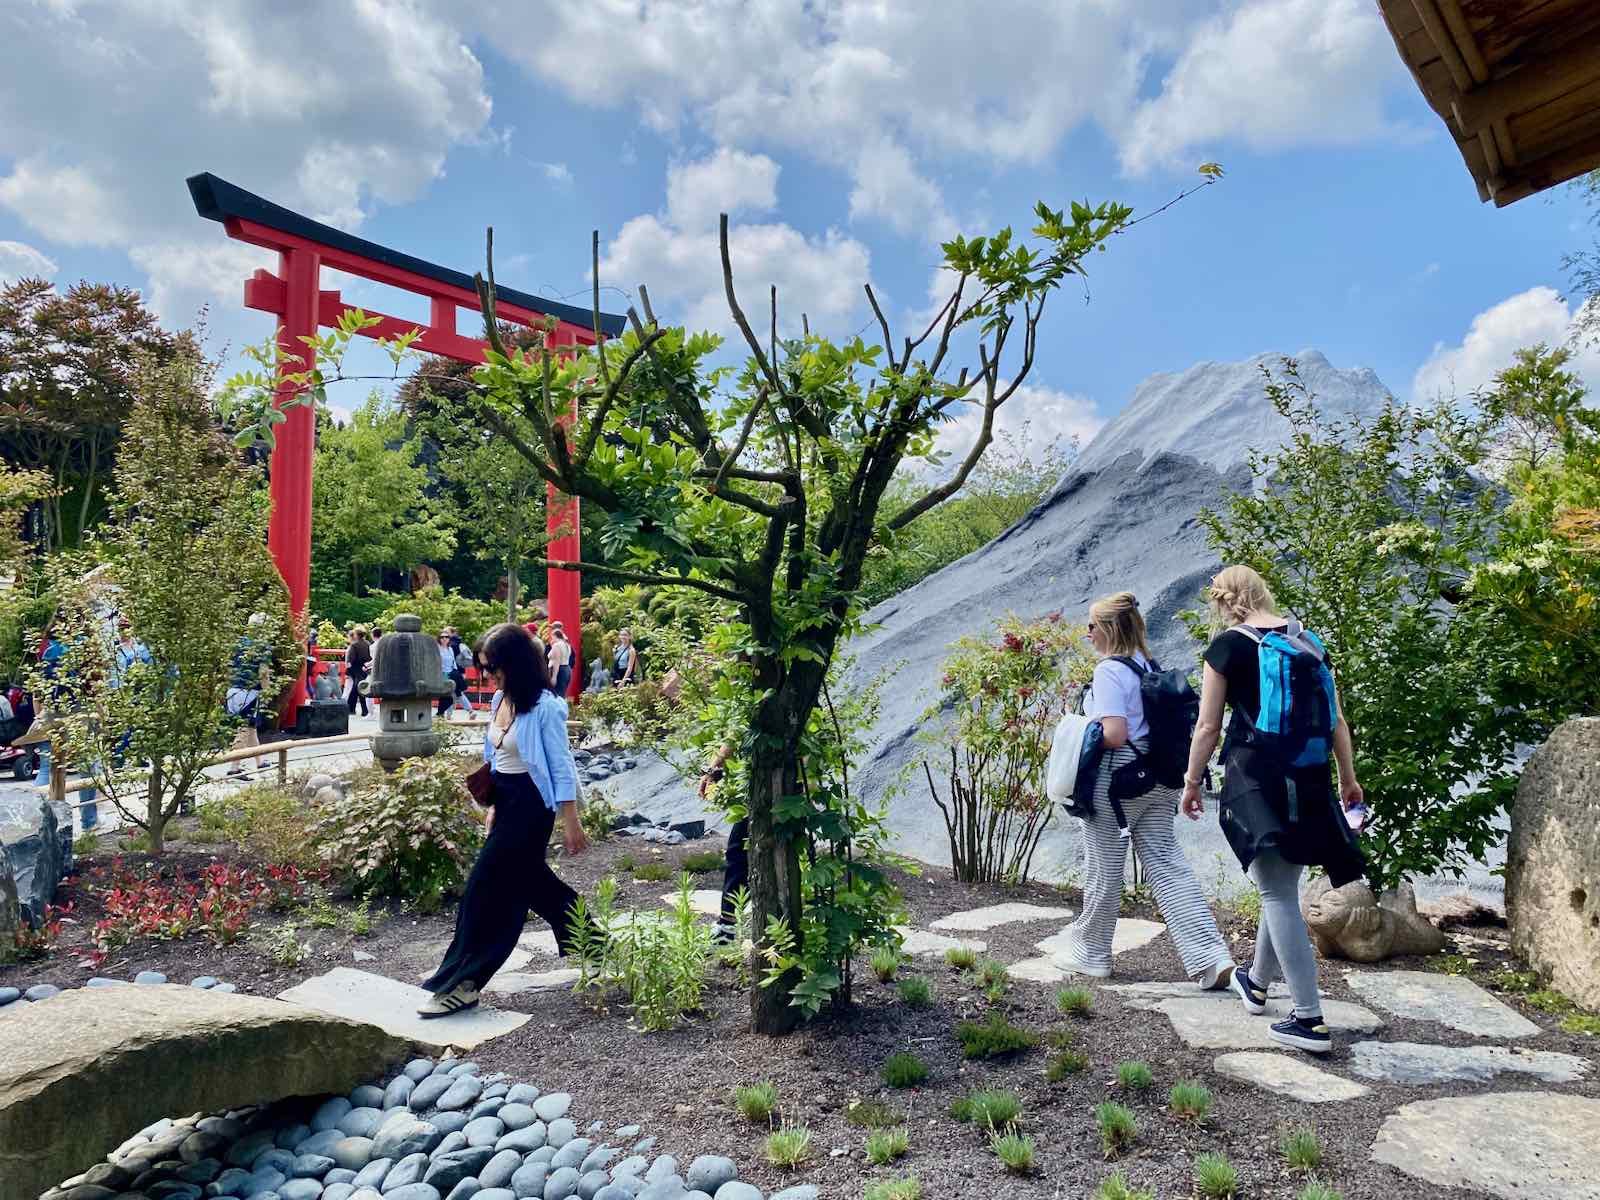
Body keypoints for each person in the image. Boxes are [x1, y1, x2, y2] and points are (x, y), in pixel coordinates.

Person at [1182, 565, 1366, 1055]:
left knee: (1276, 894)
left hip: (1257, 774)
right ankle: (1257, 982)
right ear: (1263, 592)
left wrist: (1192, 781)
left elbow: (1207, 727)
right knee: (1281, 887)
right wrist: (1347, 778)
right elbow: (1337, 719)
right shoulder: (1307, 639)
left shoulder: (1227, 647)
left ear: (1223, 601)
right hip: (1308, 775)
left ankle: (1309, 1019)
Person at [1052, 592, 1236, 989]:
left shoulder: (1108, 671)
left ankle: (1092, 953)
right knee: (1169, 867)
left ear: (1108, 629)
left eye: (1091, 626)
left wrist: (1078, 731)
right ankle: (1210, 957)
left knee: (1104, 867)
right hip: (1159, 777)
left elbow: (1115, 734)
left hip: (1117, 782)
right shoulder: (1147, 665)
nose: (1087, 633)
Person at [418, 623, 590, 1017]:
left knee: (487, 890)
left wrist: (571, 820)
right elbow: (496, 759)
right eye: (484, 667)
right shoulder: (498, 701)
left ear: (515, 663)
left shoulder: (546, 708)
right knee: (534, 884)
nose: (489, 674)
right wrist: (493, 802)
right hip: (508, 800)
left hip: (532, 807)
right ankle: (593, 940)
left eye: (494, 666)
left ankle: (466, 982)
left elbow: (561, 766)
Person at [225, 613, 273, 777]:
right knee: (244, 729)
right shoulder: (262, 646)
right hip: (249, 692)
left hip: (233, 690)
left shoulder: (238, 644)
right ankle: (234, 767)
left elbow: (229, 667)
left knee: (251, 728)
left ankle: (260, 761)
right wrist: (267, 691)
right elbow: (263, 672)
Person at [345, 627, 371, 717]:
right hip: (365, 667)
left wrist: (348, 670)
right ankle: (362, 709)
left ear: (357, 635)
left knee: (357, 688)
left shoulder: (354, 645)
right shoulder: (368, 643)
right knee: (359, 687)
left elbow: (350, 659)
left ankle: (352, 708)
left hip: (356, 668)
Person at [546, 621, 573, 698]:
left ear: (555, 635)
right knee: (562, 694)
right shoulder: (566, 643)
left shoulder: (557, 645)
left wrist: (554, 677)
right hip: (566, 668)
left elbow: (556, 661)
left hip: (559, 669)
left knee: (556, 695)